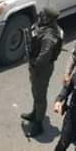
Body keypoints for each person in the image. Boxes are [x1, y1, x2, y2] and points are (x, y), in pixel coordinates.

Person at [21, 8, 63, 138]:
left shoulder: (49, 36)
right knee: (36, 91)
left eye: (44, 15)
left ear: (49, 18)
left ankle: (38, 124)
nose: (41, 16)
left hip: (41, 69)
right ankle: (35, 113)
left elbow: (44, 55)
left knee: (40, 95)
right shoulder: (44, 27)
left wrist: (34, 64)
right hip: (37, 66)